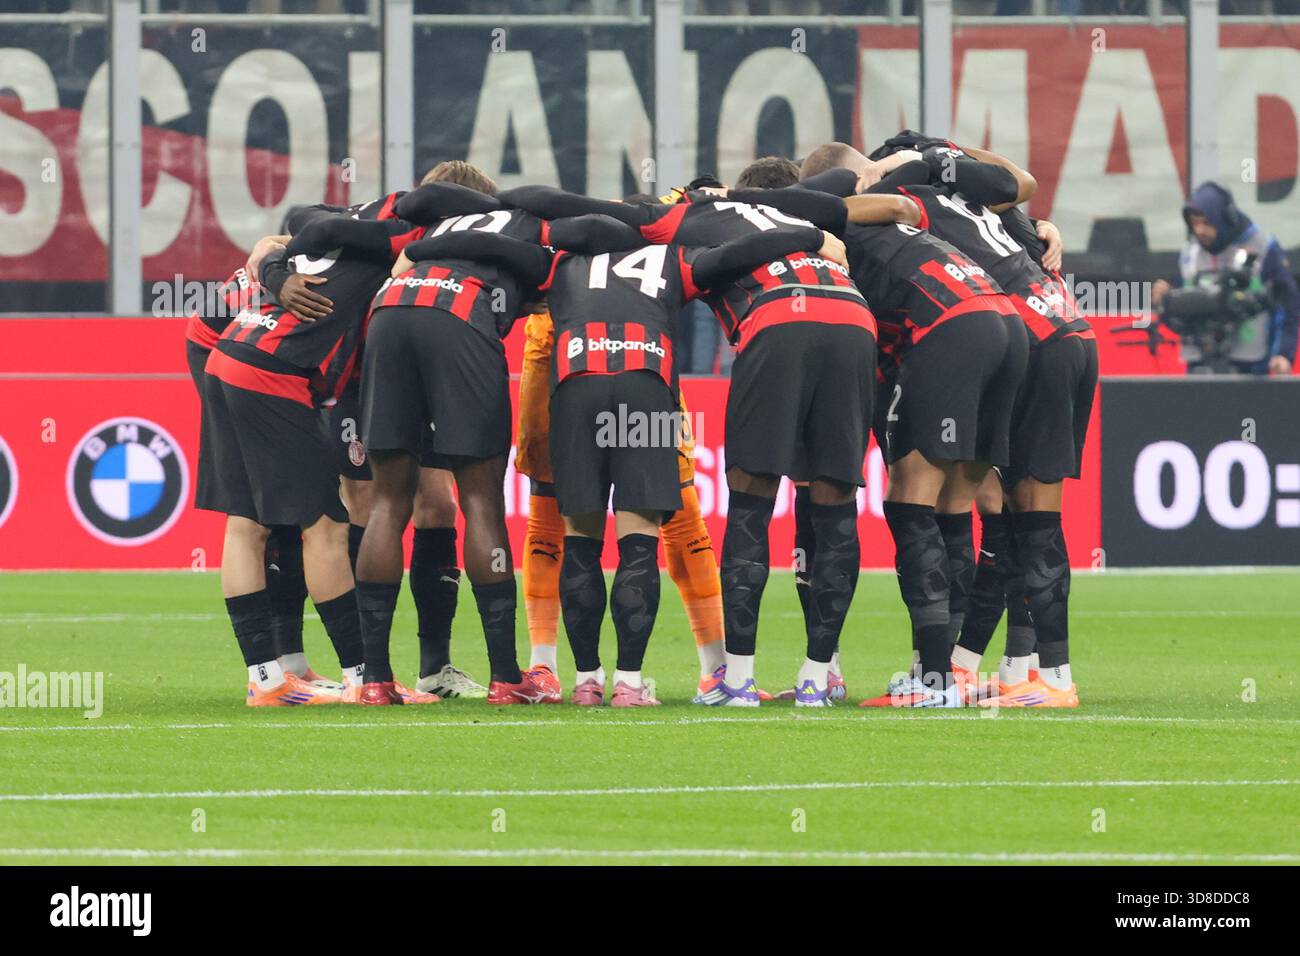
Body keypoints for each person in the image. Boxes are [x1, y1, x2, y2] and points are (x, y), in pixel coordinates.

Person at [499, 168, 869, 706]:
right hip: (653, 390)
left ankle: (579, 679)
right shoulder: (678, 257)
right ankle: (653, 680)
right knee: (650, 534)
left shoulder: (558, 260)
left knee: (572, 533)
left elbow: (528, 214)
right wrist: (811, 235)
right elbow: (760, 243)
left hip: (572, 388)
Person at [798, 142, 1028, 707]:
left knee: (908, 501)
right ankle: (953, 668)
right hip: (1006, 323)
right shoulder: (922, 202)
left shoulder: (838, 217)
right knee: (962, 503)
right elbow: (1017, 192)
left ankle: (935, 681)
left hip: (951, 329)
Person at [357, 164, 551, 705]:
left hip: (389, 312)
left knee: (388, 502)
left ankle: (374, 680)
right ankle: (507, 678)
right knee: (481, 502)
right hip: (459, 314)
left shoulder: (425, 233)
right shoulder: (524, 223)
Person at [1152, 181, 1299, 376]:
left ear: (1224, 218)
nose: (1200, 230)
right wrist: (1165, 303)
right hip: (1199, 362)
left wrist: (1283, 354)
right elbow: (1182, 316)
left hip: (1251, 365)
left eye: (1206, 222)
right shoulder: (1190, 254)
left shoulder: (1262, 247)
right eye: (1194, 223)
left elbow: (1286, 304)